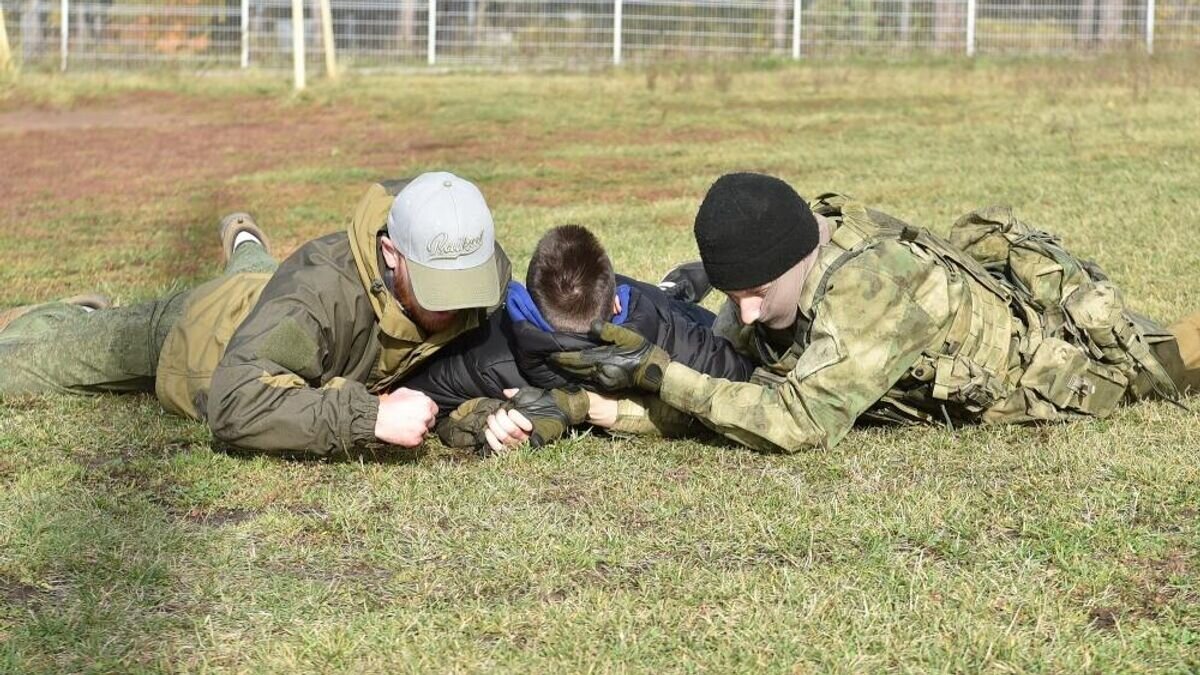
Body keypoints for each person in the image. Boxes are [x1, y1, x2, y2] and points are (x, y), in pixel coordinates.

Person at [540, 172, 1200, 453]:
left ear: (790, 261)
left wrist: (661, 374)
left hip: (1079, 376)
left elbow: (795, 421)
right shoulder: (788, 266)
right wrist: (595, 410)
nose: (738, 310)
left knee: (1176, 358)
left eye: (755, 291)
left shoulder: (869, 293)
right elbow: (734, 393)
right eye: (731, 289)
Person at [0, 173, 512, 456]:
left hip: (270, 291)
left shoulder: (474, 279)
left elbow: (440, 374)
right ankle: (72, 316)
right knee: (23, 368)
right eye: (437, 287)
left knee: (261, 277)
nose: (454, 304)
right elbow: (236, 402)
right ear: (392, 253)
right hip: (202, 331)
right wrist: (369, 415)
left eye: (463, 284)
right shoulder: (319, 290)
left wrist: (480, 415)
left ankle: (246, 242)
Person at [402, 224, 754, 451]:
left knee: (662, 302)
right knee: (665, 305)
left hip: (652, 306)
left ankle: (673, 290)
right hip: (655, 310)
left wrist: (482, 412)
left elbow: (417, 399)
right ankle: (671, 290)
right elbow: (743, 376)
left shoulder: (487, 352)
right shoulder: (665, 331)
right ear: (614, 304)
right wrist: (489, 419)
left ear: (530, 303)